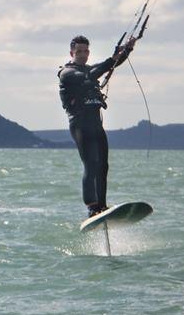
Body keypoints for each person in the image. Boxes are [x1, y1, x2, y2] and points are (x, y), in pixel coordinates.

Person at [58, 34, 136, 218]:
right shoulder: (67, 73)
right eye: (79, 52)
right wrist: (111, 59)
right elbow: (92, 74)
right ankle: (92, 207)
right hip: (80, 125)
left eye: (85, 51)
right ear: (72, 53)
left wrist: (127, 49)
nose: (83, 54)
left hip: (95, 123)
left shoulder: (88, 67)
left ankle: (102, 206)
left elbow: (111, 65)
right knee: (91, 164)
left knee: (103, 165)